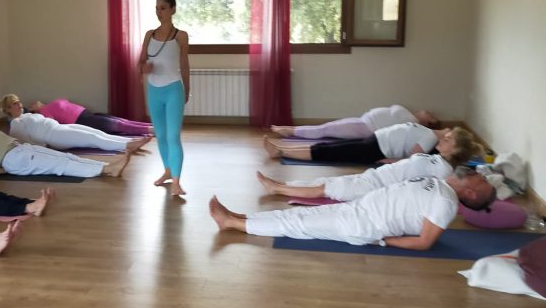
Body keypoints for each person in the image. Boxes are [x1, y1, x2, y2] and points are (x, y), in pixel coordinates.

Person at [210, 172, 496, 249]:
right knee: (295, 216)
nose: (478, 174)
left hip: (363, 225)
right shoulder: (443, 186)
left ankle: (232, 223)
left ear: (471, 193)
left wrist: (383, 241)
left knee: (296, 223)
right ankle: (239, 218)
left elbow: (425, 241)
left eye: (481, 180)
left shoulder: (446, 203)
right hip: (362, 209)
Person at [139, 0, 190, 198]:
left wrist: (187, 89)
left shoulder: (181, 36)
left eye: (163, 8)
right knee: (160, 135)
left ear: (172, 9)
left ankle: (176, 181)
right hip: (154, 90)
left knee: (172, 136)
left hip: (173, 90)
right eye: (156, 8)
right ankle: (168, 171)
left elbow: (184, 64)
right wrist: (144, 68)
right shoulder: (149, 35)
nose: (159, 12)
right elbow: (141, 62)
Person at [257, 151, 455, 202]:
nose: (445, 137)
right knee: (326, 182)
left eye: (449, 138)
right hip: (374, 176)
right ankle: (283, 184)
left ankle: (277, 189)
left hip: (375, 190)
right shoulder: (436, 158)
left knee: (325, 189)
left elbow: (436, 190)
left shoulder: (445, 171)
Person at [0, 128, 130, 180]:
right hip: (13, 159)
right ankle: (106, 170)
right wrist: (3, 171)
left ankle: (106, 167)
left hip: (21, 148)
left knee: (65, 157)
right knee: (60, 166)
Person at [264, 124, 478, 168]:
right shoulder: (430, 135)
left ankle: (280, 152)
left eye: (449, 140)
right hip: (375, 141)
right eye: (448, 136)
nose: (445, 138)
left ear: (455, 149)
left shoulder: (430, 140)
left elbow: (413, 161)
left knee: (325, 151)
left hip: (375, 150)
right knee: (325, 146)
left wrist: (391, 161)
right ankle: (281, 150)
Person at [0, 95, 151, 154]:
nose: (19, 104)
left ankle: (130, 141)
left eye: (19, 101)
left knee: (97, 133)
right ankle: (127, 146)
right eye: (15, 103)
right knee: (91, 139)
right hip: (53, 136)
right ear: (8, 109)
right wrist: (44, 147)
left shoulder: (28, 115)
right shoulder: (15, 123)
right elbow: (25, 142)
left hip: (59, 128)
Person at [271, 105, 440, 140]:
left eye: (431, 115)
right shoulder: (409, 115)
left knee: (325, 129)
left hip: (366, 128)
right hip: (362, 121)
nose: (428, 111)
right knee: (326, 127)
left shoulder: (412, 122)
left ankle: (289, 131)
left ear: (427, 122)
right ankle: (290, 129)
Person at [17, 96, 152, 138]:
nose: (32, 102)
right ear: (33, 110)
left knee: (120, 120)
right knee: (118, 125)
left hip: (84, 113)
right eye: (31, 105)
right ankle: (151, 130)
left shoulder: (50, 104)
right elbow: (52, 124)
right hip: (81, 121)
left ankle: (153, 126)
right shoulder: (44, 113)